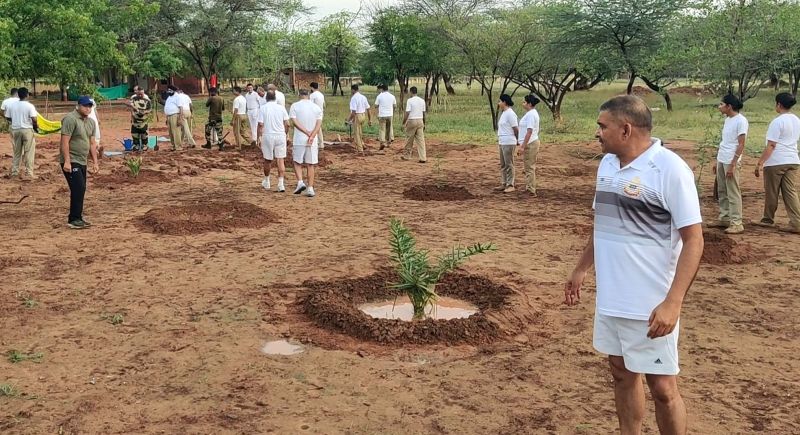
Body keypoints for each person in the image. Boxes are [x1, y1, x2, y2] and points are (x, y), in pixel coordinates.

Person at [565, 95, 704, 435]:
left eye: (602, 126)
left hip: (650, 304)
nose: (597, 133)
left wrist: (673, 303)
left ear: (626, 130)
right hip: (611, 299)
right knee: (620, 372)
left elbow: (694, 240)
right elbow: (603, 223)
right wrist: (581, 268)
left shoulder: (670, 170)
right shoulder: (607, 165)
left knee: (663, 388)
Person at [754, 92, 800, 233]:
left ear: (779, 104)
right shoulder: (797, 120)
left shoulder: (777, 121)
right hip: (793, 160)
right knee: (790, 192)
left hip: (776, 161)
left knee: (772, 191)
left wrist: (760, 162)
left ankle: (768, 219)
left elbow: (772, 145)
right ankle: (797, 222)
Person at [708, 94, 748, 234]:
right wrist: (717, 160)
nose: (719, 107)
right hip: (722, 158)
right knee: (722, 190)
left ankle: (737, 223)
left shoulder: (741, 121)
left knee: (733, 192)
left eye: (721, 104)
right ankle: (724, 217)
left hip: (731, 160)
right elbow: (724, 141)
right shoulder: (728, 120)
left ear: (729, 106)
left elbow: (741, 144)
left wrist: (733, 164)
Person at [59, 96, 100, 229]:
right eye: (85, 106)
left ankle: (78, 217)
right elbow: (64, 141)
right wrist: (67, 161)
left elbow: (92, 143)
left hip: (82, 160)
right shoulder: (70, 119)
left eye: (90, 106)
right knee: (78, 187)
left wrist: (95, 162)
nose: (88, 109)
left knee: (80, 189)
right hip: (71, 159)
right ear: (78, 106)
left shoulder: (91, 122)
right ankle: (74, 219)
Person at [289, 89, 323, 197]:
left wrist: (306, 132)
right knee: (310, 164)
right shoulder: (316, 107)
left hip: (299, 138)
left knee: (297, 162)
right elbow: (318, 124)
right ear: (308, 95)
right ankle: (310, 188)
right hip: (312, 140)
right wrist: (312, 135)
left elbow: (295, 122)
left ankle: (300, 182)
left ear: (299, 95)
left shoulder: (294, 106)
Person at [257, 91, 290, 193]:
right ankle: (281, 183)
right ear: (275, 98)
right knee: (280, 159)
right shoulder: (281, 108)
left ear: (266, 98)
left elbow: (260, 124)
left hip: (268, 135)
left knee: (267, 160)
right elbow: (287, 124)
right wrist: (285, 134)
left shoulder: (263, 108)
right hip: (280, 135)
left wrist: (259, 137)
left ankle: (267, 181)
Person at [6, 87, 39, 180]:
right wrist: (35, 127)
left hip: (16, 130)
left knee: (17, 152)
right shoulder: (29, 106)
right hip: (27, 130)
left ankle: (14, 172)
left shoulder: (12, 106)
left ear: (18, 95)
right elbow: (34, 119)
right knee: (29, 152)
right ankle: (29, 173)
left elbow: (7, 117)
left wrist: (15, 120)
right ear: (27, 95)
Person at [517, 94, 542, 196]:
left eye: (524, 102)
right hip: (531, 142)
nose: (523, 103)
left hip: (530, 143)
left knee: (529, 167)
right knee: (528, 167)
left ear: (529, 104)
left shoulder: (531, 115)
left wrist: (522, 146)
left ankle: (531, 190)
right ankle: (529, 187)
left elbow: (529, 131)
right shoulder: (531, 113)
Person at [496, 94, 518, 193]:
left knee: (509, 164)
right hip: (502, 141)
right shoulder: (504, 113)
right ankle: (504, 183)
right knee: (503, 164)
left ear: (504, 102)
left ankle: (510, 184)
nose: (499, 103)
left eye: (500, 101)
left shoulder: (510, 114)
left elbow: (515, 128)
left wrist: (517, 140)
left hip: (509, 142)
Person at [402, 86, 427, 163]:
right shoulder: (422, 100)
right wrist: (424, 123)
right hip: (420, 120)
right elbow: (424, 113)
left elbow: (407, 112)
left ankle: (407, 155)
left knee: (409, 139)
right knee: (421, 140)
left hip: (412, 120)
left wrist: (404, 122)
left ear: (411, 92)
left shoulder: (410, 100)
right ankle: (423, 157)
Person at [347, 84, 371, 153]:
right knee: (360, 131)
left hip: (357, 115)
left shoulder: (354, 98)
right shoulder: (363, 97)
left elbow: (353, 112)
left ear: (353, 90)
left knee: (356, 133)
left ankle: (360, 149)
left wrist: (349, 120)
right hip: (363, 115)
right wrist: (370, 119)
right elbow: (368, 109)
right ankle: (362, 144)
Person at [128, 87, 152, 152]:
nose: (140, 95)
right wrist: (133, 111)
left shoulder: (147, 100)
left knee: (144, 133)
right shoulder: (133, 99)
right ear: (137, 93)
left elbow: (149, 109)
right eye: (139, 94)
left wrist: (144, 112)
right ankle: (136, 145)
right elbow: (130, 105)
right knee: (134, 133)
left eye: (142, 94)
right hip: (135, 119)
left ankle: (145, 145)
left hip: (143, 120)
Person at [374, 84, 396, 150]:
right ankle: (388, 142)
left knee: (382, 129)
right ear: (387, 89)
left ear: (382, 89)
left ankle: (382, 142)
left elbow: (376, 105)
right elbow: (395, 106)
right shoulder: (392, 96)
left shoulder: (379, 96)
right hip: (390, 115)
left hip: (382, 115)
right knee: (388, 129)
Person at [163, 85, 183, 151]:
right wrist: (167, 118)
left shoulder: (177, 97)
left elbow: (181, 108)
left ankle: (178, 146)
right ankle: (174, 145)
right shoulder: (169, 97)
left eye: (170, 90)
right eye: (168, 90)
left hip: (175, 116)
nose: (169, 91)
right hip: (169, 116)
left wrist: (180, 118)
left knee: (176, 131)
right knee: (171, 132)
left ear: (174, 91)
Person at [310, 82, 325, 148]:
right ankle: (320, 142)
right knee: (318, 127)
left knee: (316, 128)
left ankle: (320, 143)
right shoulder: (321, 94)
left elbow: (310, 105)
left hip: (314, 113)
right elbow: (324, 105)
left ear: (312, 87)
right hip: (321, 112)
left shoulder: (312, 95)